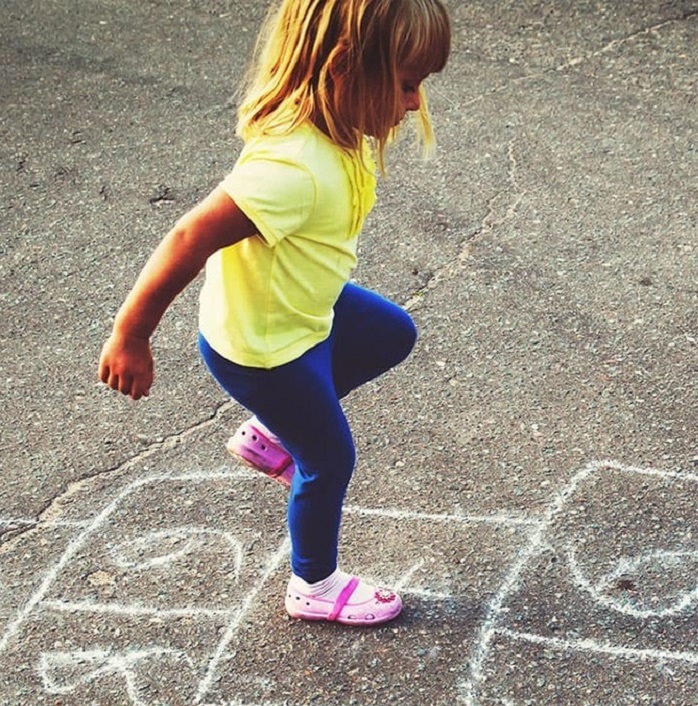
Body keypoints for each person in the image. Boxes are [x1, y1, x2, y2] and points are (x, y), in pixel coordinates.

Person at [98, 0, 451, 626]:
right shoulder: (293, 168)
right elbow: (189, 237)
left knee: (392, 331)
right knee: (329, 458)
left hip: (305, 310)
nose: (416, 102)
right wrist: (132, 334)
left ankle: (271, 430)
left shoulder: (334, 128)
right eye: (404, 83)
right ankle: (312, 584)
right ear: (344, 68)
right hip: (266, 350)